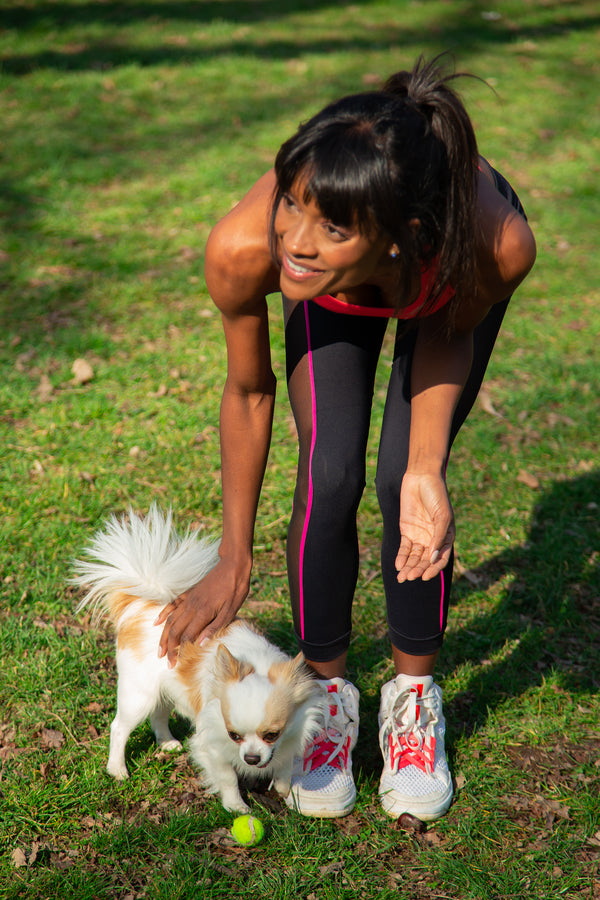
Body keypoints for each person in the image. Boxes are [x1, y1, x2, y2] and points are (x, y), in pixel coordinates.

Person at [156, 55, 536, 821]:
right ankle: (323, 701)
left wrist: (427, 468)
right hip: (356, 287)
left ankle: (414, 702)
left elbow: (447, 331)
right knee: (329, 475)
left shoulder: (495, 244)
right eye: (291, 204)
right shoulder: (251, 250)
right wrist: (235, 555)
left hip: (441, 284)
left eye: (329, 226)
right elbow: (249, 390)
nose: (296, 239)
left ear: (401, 236)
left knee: (405, 482)